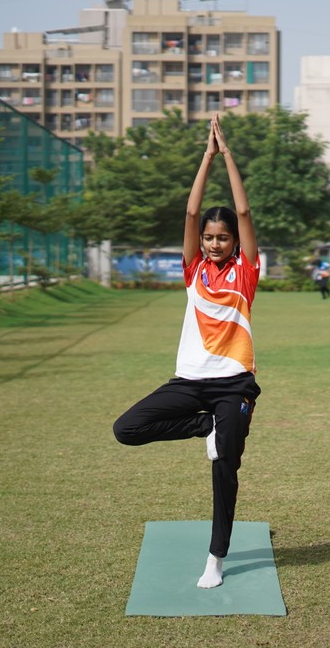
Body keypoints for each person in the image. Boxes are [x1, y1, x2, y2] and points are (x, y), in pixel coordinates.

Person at [112, 115, 261, 589]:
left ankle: (216, 557)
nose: (215, 243)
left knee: (225, 469)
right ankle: (204, 427)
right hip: (190, 383)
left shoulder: (245, 273)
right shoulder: (193, 269)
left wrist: (228, 155)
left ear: (234, 242)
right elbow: (191, 212)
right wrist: (206, 156)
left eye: (223, 238)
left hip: (234, 385)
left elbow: (244, 212)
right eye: (209, 238)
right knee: (127, 429)